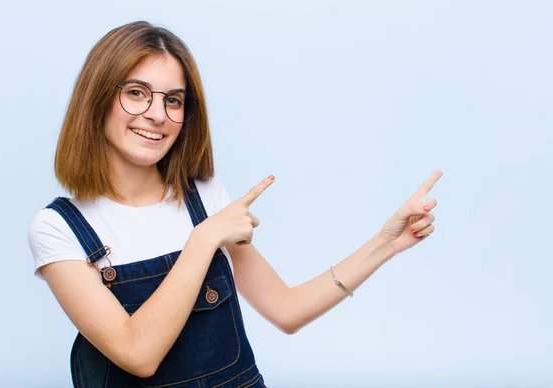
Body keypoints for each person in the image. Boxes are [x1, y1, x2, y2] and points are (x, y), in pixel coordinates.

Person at [28, 20, 442, 388]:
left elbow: (287, 309)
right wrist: (204, 238)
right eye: (137, 93)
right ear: (97, 99)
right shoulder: (58, 228)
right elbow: (138, 355)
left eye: (173, 100)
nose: (157, 114)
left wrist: (387, 242)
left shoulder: (207, 198)